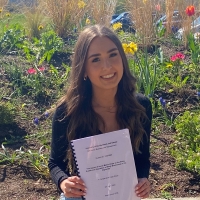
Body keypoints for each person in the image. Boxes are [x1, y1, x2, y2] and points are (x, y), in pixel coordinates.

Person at [48, 24, 152, 200]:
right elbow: (55, 163)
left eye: (113, 55)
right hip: (82, 196)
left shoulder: (140, 107)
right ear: (84, 70)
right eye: (95, 59)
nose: (107, 66)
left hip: (124, 193)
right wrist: (64, 182)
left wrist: (143, 180)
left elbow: (142, 158)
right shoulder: (67, 111)